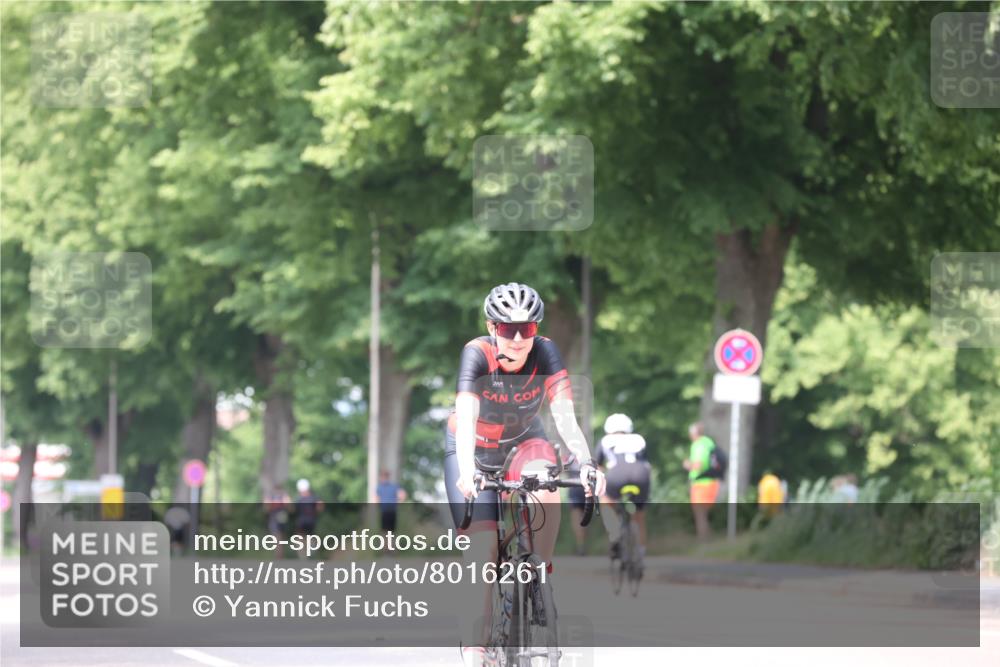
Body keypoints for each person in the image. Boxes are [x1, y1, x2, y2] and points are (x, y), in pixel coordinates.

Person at [445, 282, 606, 667]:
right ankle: (475, 652)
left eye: (527, 330)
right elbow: (466, 418)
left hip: (523, 440)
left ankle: (540, 569)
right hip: (474, 447)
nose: (517, 339)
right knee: (482, 554)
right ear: (491, 326)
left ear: (537, 329)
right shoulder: (477, 354)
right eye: (507, 329)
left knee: (546, 481)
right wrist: (468, 471)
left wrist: (586, 462)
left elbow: (565, 417)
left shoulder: (546, 353)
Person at [597, 413, 652, 563]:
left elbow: (599, 467)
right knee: (639, 516)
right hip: (641, 474)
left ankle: (614, 534)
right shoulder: (639, 439)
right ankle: (641, 552)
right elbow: (647, 464)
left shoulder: (605, 441)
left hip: (617, 474)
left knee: (605, 501)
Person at [683, 422, 720, 540]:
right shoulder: (709, 442)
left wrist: (687, 465)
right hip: (712, 482)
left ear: (694, 433)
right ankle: (707, 538)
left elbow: (698, 465)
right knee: (705, 512)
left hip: (700, 484)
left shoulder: (698, 444)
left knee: (699, 513)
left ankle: (703, 539)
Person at [293, 478, 323, 558]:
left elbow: (293, 510)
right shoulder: (314, 497)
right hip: (311, 521)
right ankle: (312, 554)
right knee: (310, 537)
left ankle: (303, 557)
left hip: (302, 522)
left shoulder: (298, 499)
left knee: (300, 539)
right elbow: (320, 507)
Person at [373, 469, 407, 534]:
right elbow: (403, 495)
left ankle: (386, 544)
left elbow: (376, 499)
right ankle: (389, 543)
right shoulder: (394, 486)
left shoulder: (380, 487)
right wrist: (398, 503)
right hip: (392, 510)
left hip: (384, 511)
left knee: (384, 531)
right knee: (391, 531)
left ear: (382, 477)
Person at [264, 488, 292, 559]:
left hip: (274, 516)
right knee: (280, 536)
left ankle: (279, 555)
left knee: (277, 536)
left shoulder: (270, 495)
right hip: (282, 515)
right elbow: (289, 506)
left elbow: (267, 508)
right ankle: (280, 554)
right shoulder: (284, 494)